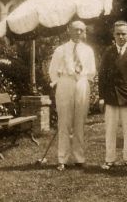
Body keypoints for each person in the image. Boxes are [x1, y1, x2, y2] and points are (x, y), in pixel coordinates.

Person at [48, 20, 96, 171]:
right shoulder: (60, 50)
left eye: (81, 30)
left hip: (81, 82)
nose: (78, 33)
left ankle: (79, 158)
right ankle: (62, 158)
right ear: (68, 30)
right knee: (64, 122)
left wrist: (83, 80)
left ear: (84, 32)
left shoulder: (88, 50)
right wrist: (59, 83)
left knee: (80, 122)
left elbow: (92, 71)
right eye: (75, 30)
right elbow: (52, 70)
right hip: (65, 83)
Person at [98, 20, 127, 169]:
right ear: (113, 34)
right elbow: (102, 76)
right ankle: (109, 159)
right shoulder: (108, 52)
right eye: (118, 34)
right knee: (110, 130)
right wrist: (101, 97)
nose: (121, 37)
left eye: (123, 34)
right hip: (111, 97)